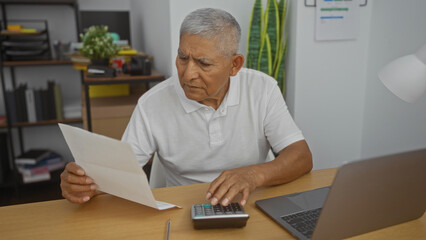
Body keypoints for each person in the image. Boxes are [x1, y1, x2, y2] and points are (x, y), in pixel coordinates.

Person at [60, 8, 312, 207]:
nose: (188, 74)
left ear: (234, 65)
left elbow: (301, 156)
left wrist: (253, 175)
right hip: (182, 209)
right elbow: (115, 175)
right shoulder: (152, 104)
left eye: (203, 63)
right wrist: (84, 184)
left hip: (249, 204)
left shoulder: (262, 89)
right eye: (182, 57)